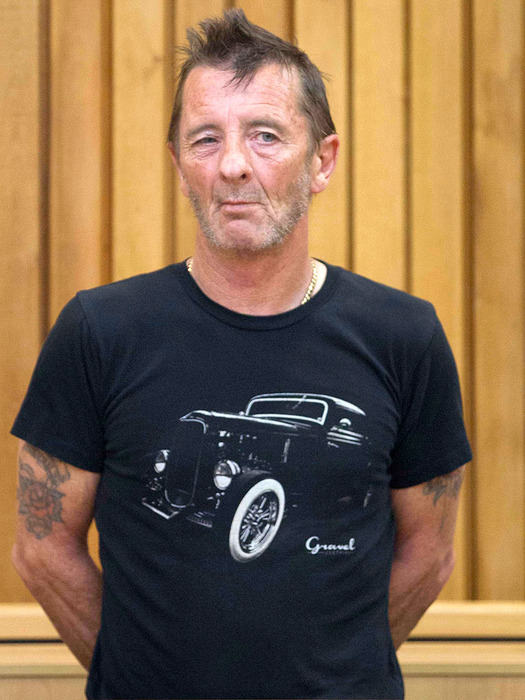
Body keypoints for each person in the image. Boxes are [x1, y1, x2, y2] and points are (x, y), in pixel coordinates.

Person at [11, 9, 472, 700]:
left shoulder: (404, 336)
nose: (232, 165)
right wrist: (137, 677)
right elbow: (42, 548)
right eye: (205, 139)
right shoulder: (99, 331)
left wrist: (339, 671)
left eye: (265, 136)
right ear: (179, 166)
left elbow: (429, 553)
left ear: (321, 161)